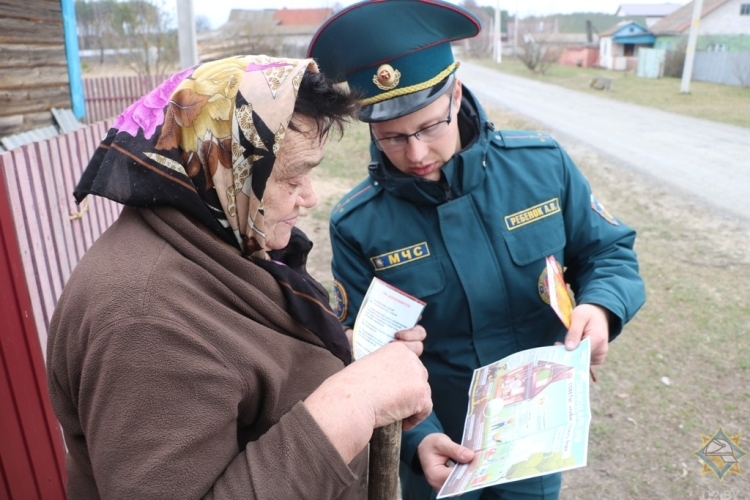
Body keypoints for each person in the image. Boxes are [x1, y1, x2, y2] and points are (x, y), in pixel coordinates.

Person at [46, 55, 433, 500]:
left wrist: (344, 358)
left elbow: (240, 358)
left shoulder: (214, 232)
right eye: (292, 178)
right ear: (228, 167)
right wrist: (355, 402)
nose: (308, 198)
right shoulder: (145, 320)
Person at [308, 2, 647, 499]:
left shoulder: (541, 166)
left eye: (428, 128)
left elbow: (610, 253)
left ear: (457, 94)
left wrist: (600, 306)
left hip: (536, 436)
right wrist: (419, 439)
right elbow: (365, 349)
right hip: (438, 448)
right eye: (393, 139)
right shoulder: (358, 223)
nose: (416, 154)